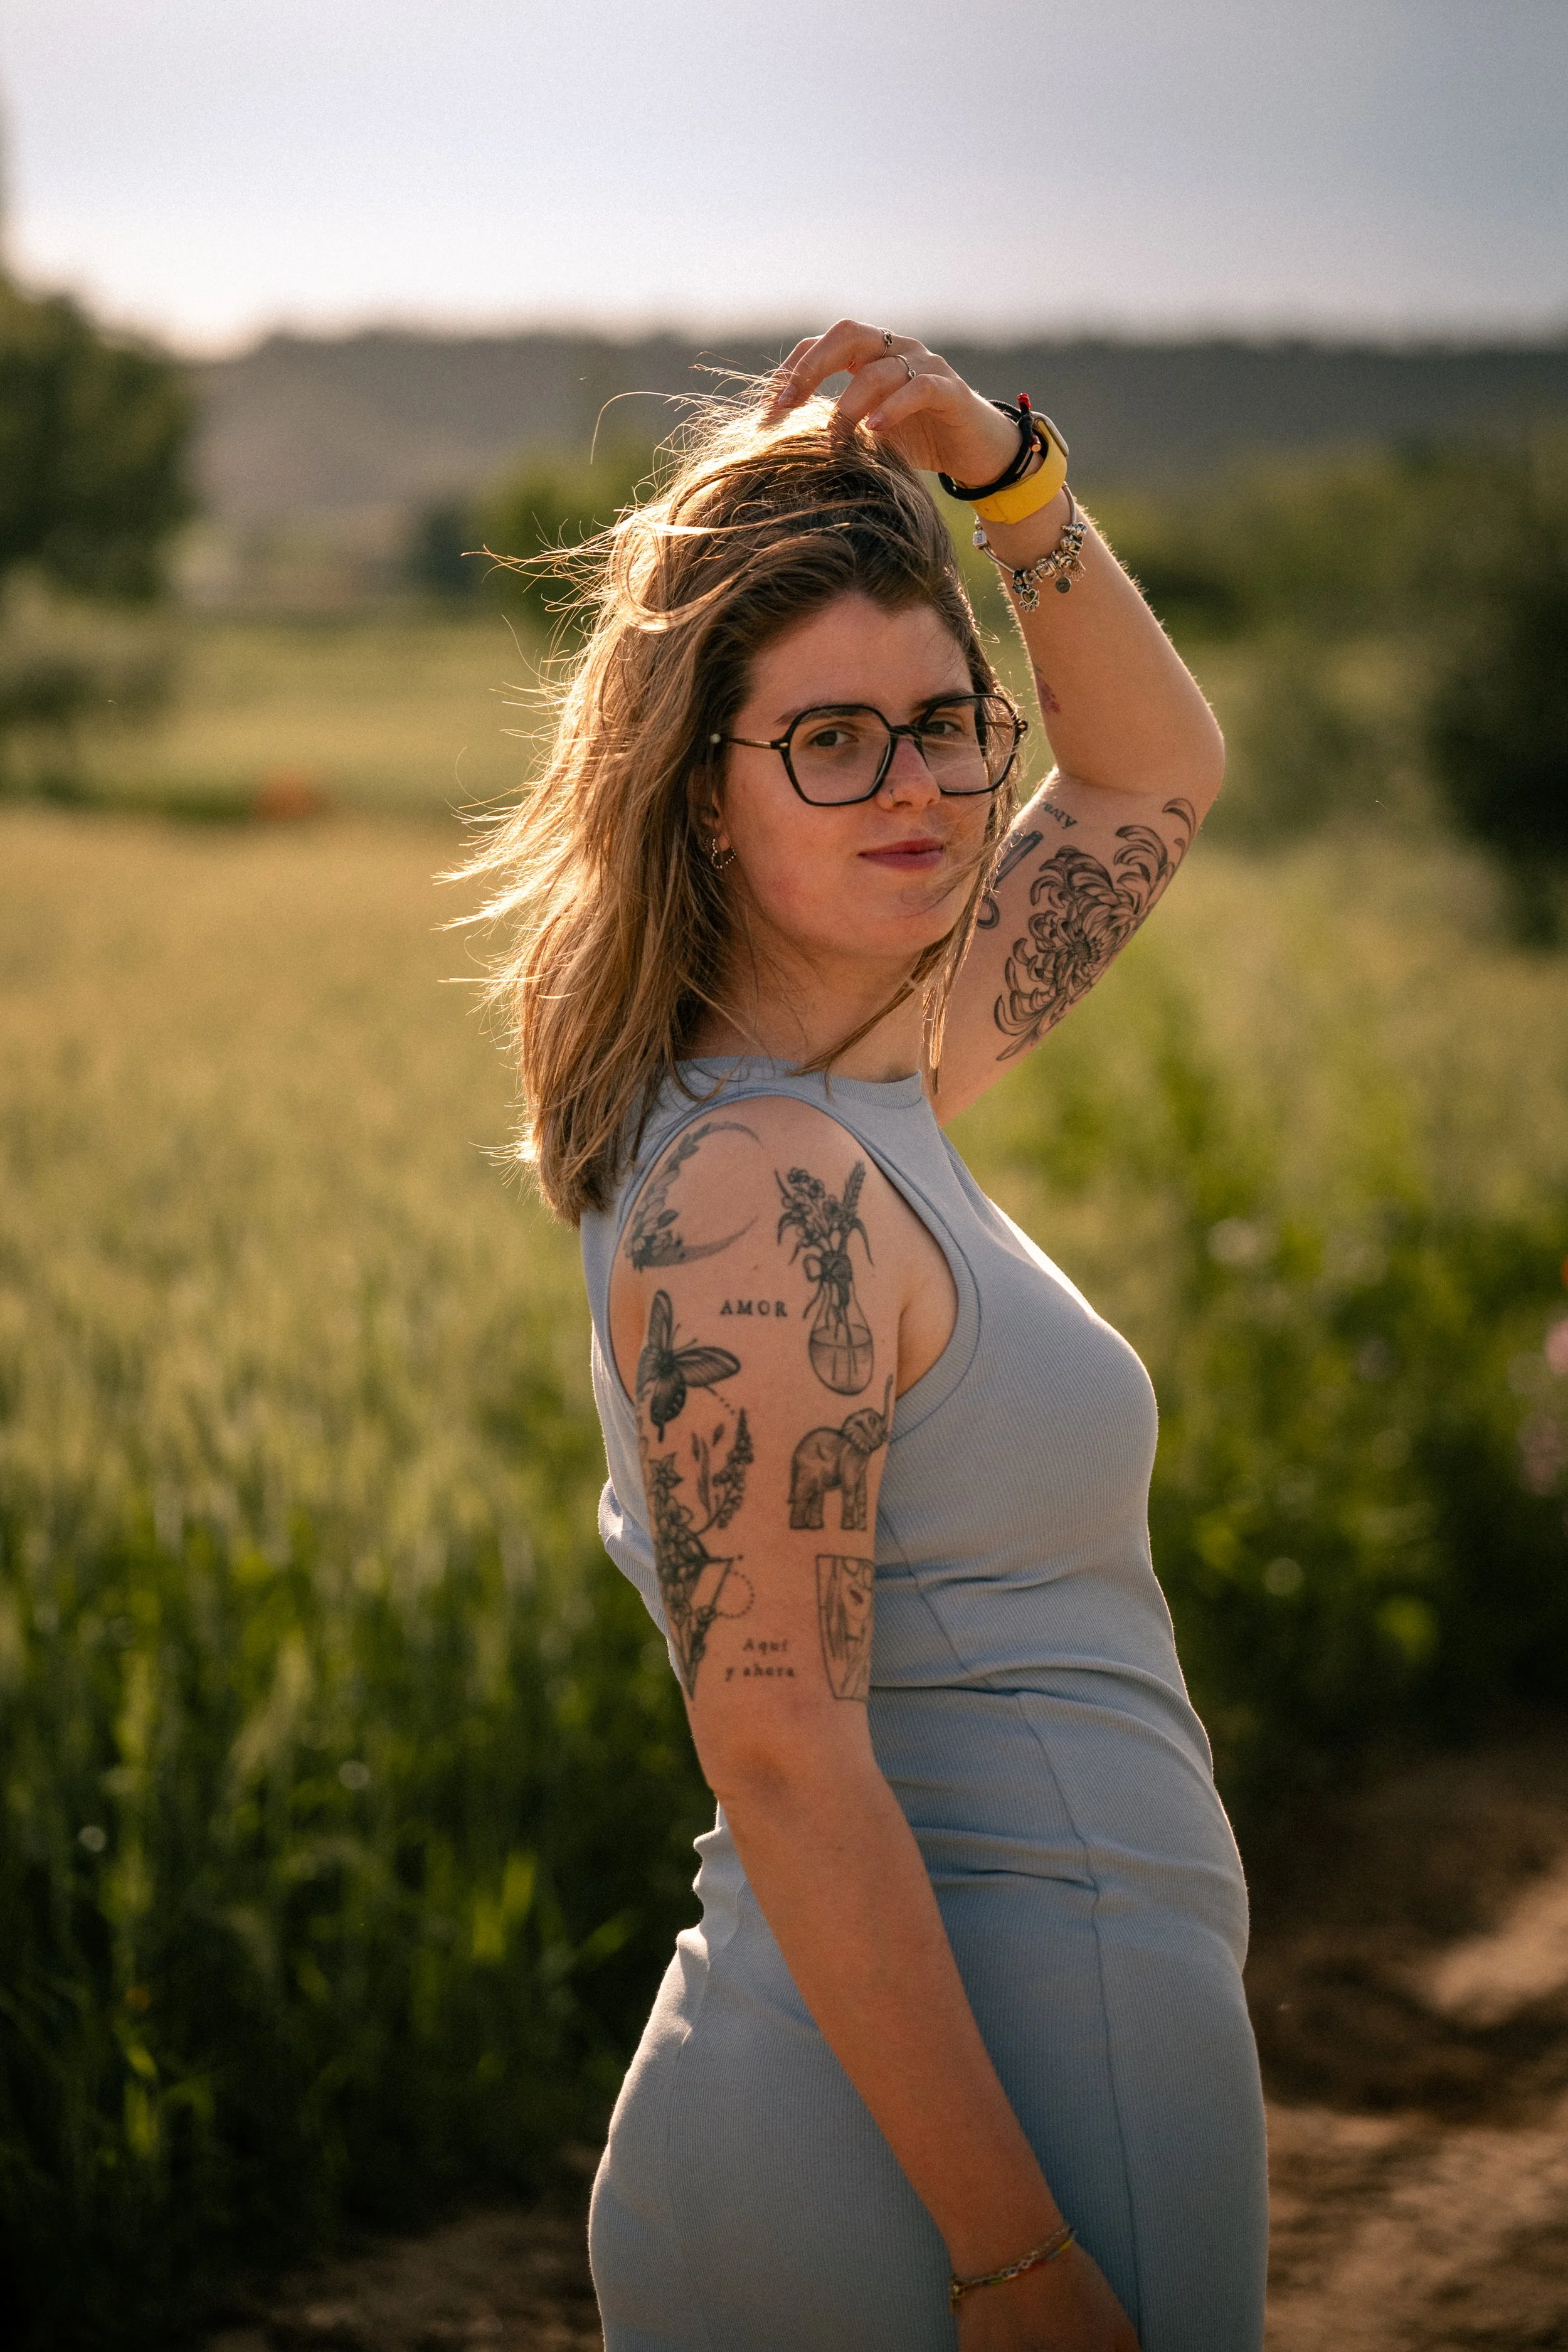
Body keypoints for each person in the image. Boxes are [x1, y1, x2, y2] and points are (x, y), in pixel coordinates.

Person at [470, 321, 1267, 2351]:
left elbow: (1153, 769)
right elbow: (782, 1751)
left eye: (944, 721)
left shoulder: (874, 1072)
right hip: (914, 2181)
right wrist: (1009, 2258)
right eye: (831, 738)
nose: (917, 785)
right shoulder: (761, 1195)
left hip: (1022, 2077)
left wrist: (1006, 481)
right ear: (703, 792)